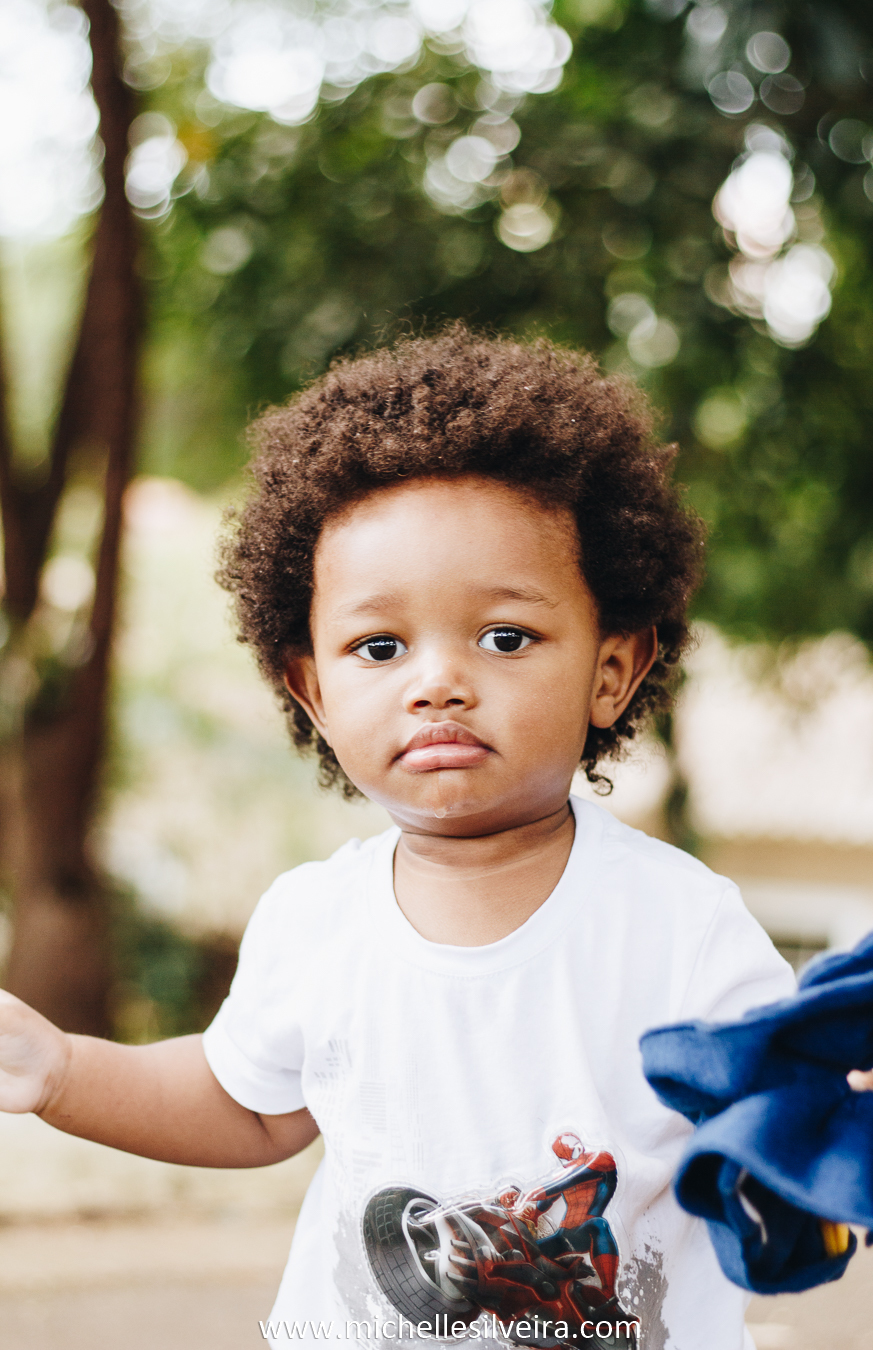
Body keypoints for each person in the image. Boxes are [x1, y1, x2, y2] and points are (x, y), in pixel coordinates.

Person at [0, 326, 796, 1348]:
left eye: (505, 637)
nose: (438, 681)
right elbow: (243, 1107)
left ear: (614, 667)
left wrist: (837, 1104)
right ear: (315, 690)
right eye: (380, 646)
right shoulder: (317, 918)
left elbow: (786, 1112)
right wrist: (59, 1070)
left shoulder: (683, 928)